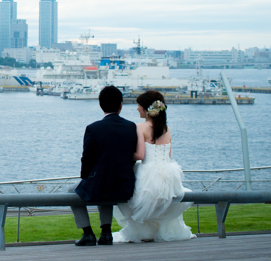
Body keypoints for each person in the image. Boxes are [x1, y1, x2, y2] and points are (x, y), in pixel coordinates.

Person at [114, 90, 196, 243]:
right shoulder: (166, 129)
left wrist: (121, 155)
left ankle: (144, 232)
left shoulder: (140, 127)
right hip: (168, 174)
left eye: (139, 105)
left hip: (148, 172)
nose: (137, 108)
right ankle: (159, 231)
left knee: (133, 198)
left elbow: (139, 155)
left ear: (146, 108)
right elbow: (168, 155)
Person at [72, 85, 142, 246]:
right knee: (104, 189)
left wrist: (85, 178)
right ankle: (106, 232)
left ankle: (88, 233)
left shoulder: (93, 128)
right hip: (125, 183)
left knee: (73, 192)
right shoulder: (131, 126)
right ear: (121, 105)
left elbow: (87, 159)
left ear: (100, 105)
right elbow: (131, 155)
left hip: (102, 183)